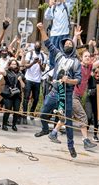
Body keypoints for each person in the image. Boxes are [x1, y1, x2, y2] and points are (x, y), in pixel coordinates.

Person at [48, 27, 99, 149]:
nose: (88, 58)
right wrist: (75, 37)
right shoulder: (77, 65)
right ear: (81, 58)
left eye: (89, 57)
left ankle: (53, 133)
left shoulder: (89, 67)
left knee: (66, 117)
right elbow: (72, 49)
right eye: (85, 56)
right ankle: (85, 141)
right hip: (72, 95)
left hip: (77, 96)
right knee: (83, 117)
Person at [35, 22, 81, 159]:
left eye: (70, 44)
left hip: (65, 94)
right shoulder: (58, 55)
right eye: (65, 44)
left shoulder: (76, 62)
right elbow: (48, 43)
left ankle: (71, 146)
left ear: (73, 47)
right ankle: (45, 129)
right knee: (43, 113)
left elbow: (78, 80)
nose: (67, 45)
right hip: (55, 91)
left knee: (67, 121)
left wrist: (69, 80)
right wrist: (42, 29)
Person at [44, 0, 74, 69]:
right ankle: (52, 69)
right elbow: (47, 16)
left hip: (64, 34)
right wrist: (49, 6)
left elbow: (73, 1)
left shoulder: (66, 5)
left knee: (65, 52)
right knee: (52, 52)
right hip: (54, 34)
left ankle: (63, 69)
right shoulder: (53, 7)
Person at [21, 41, 46, 120]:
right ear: (34, 47)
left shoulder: (44, 56)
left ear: (40, 47)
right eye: (36, 46)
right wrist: (33, 62)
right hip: (28, 79)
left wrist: (39, 63)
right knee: (26, 97)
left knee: (36, 98)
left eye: (38, 46)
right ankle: (24, 115)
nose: (37, 47)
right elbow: (26, 66)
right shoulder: (30, 54)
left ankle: (31, 112)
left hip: (37, 80)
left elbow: (43, 69)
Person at [0, 58, 24, 131]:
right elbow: (1, 71)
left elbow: (23, 86)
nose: (14, 65)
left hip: (17, 94)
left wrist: (20, 80)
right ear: (10, 65)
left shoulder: (20, 73)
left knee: (16, 110)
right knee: (8, 109)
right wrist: (6, 67)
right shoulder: (7, 72)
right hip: (8, 93)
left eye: (15, 64)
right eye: (12, 64)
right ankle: (4, 124)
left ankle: (14, 125)